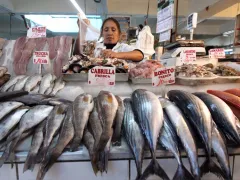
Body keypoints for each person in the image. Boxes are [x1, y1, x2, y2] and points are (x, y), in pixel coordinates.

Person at [75, 17, 144, 62]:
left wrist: (115, 54)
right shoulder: (95, 47)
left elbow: (139, 55)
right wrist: (82, 29)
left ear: (119, 33)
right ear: (102, 33)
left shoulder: (123, 47)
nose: (110, 33)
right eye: (106, 30)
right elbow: (78, 54)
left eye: (113, 30)